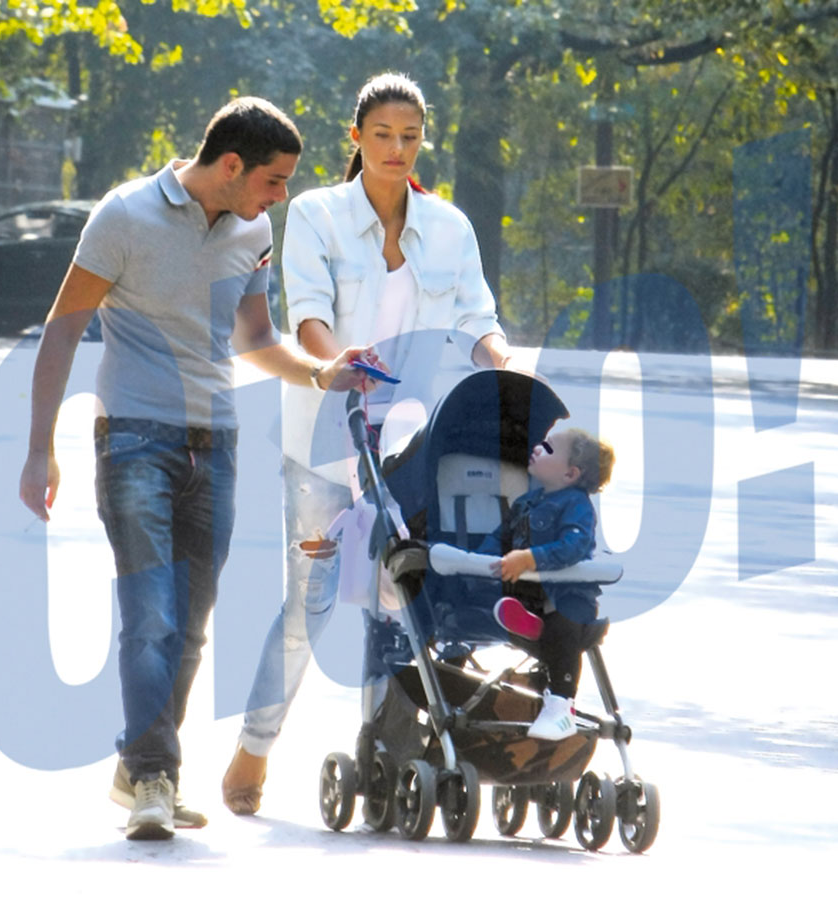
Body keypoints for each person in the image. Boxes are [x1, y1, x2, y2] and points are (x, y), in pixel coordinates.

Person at [19, 96, 371, 841]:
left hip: (215, 444)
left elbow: (255, 339)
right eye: (274, 180)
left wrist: (320, 372)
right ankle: (155, 777)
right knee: (150, 616)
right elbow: (62, 331)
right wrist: (38, 446)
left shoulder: (252, 228)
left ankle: (142, 768)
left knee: (189, 627)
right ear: (232, 164)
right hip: (132, 437)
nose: (282, 196)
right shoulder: (124, 216)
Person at [222, 72, 520, 815]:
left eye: (410, 136)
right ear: (356, 137)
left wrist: (503, 362)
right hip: (325, 437)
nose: (396, 148)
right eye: (382, 135)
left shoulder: (450, 227)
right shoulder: (317, 214)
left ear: (423, 140)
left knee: (403, 601)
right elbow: (309, 316)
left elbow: (478, 317)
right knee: (312, 602)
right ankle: (254, 747)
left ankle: (385, 758)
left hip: (411, 442)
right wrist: (338, 368)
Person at [481, 427, 615, 740]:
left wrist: (531, 558)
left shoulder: (576, 505)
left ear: (570, 473)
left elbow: (574, 546)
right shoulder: (526, 502)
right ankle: (531, 624)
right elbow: (499, 538)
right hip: (526, 594)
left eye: (549, 447)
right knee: (501, 599)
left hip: (565, 596)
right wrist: (476, 561)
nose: (538, 447)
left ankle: (560, 707)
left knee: (564, 620)